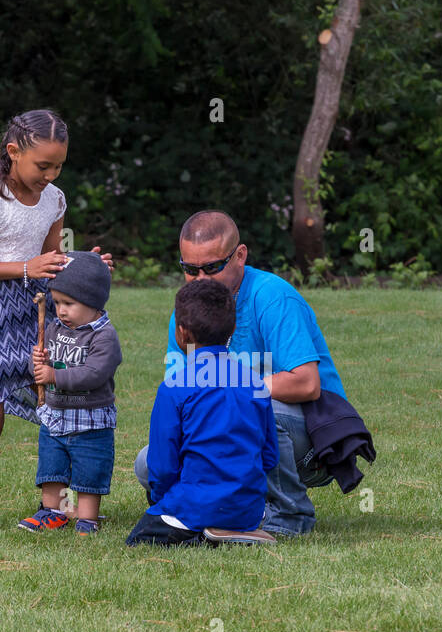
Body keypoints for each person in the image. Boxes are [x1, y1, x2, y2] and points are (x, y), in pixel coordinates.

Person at [134, 210, 343, 536]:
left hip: (314, 442)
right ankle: (218, 515)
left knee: (255, 406)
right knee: (150, 462)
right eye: (190, 269)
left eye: (212, 267)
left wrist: (234, 388)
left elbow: (307, 384)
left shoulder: (273, 297)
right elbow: (183, 400)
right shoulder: (186, 313)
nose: (201, 279)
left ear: (240, 255)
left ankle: (289, 517)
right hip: (242, 433)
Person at [0, 109, 112, 529]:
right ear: (13, 152)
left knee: (55, 403)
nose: (51, 174)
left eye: (59, 165)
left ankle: (60, 506)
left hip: (32, 311)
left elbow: (52, 262)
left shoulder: (54, 199)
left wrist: (86, 266)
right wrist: (26, 268)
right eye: (43, 165)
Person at [126, 280, 279, 547]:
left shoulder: (174, 387)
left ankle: (201, 535)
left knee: (137, 541)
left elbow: (162, 466)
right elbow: (269, 456)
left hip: (192, 505)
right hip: (249, 510)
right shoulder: (256, 383)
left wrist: (166, 501)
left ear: (182, 333)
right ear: (232, 329)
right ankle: (234, 531)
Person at [20, 253, 121, 536]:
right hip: (56, 414)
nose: (60, 310)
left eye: (69, 304)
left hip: (90, 418)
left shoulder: (104, 337)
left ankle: (87, 518)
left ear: (93, 302)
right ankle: (53, 511)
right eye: (57, 302)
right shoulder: (54, 328)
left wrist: (55, 376)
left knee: (89, 467)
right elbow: (44, 369)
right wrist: (38, 362)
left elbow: (94, 373)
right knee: (53, 465)